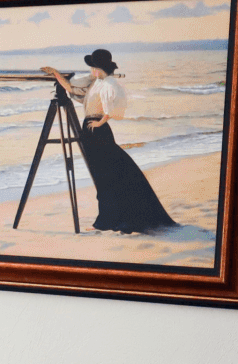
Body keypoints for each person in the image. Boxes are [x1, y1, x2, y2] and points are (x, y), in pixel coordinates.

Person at [42, 49, 174, 233]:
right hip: (91, 130)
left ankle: (109, 220)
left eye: (92, 67)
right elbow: (71, 88)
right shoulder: (96, 82)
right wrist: (56, 73)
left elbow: (113, 109)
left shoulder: (108, 84)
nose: (90, 71)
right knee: (103, 176)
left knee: (106, 176)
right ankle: (107, 219)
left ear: (97, 68)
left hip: (97, 130)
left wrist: (100, 122)